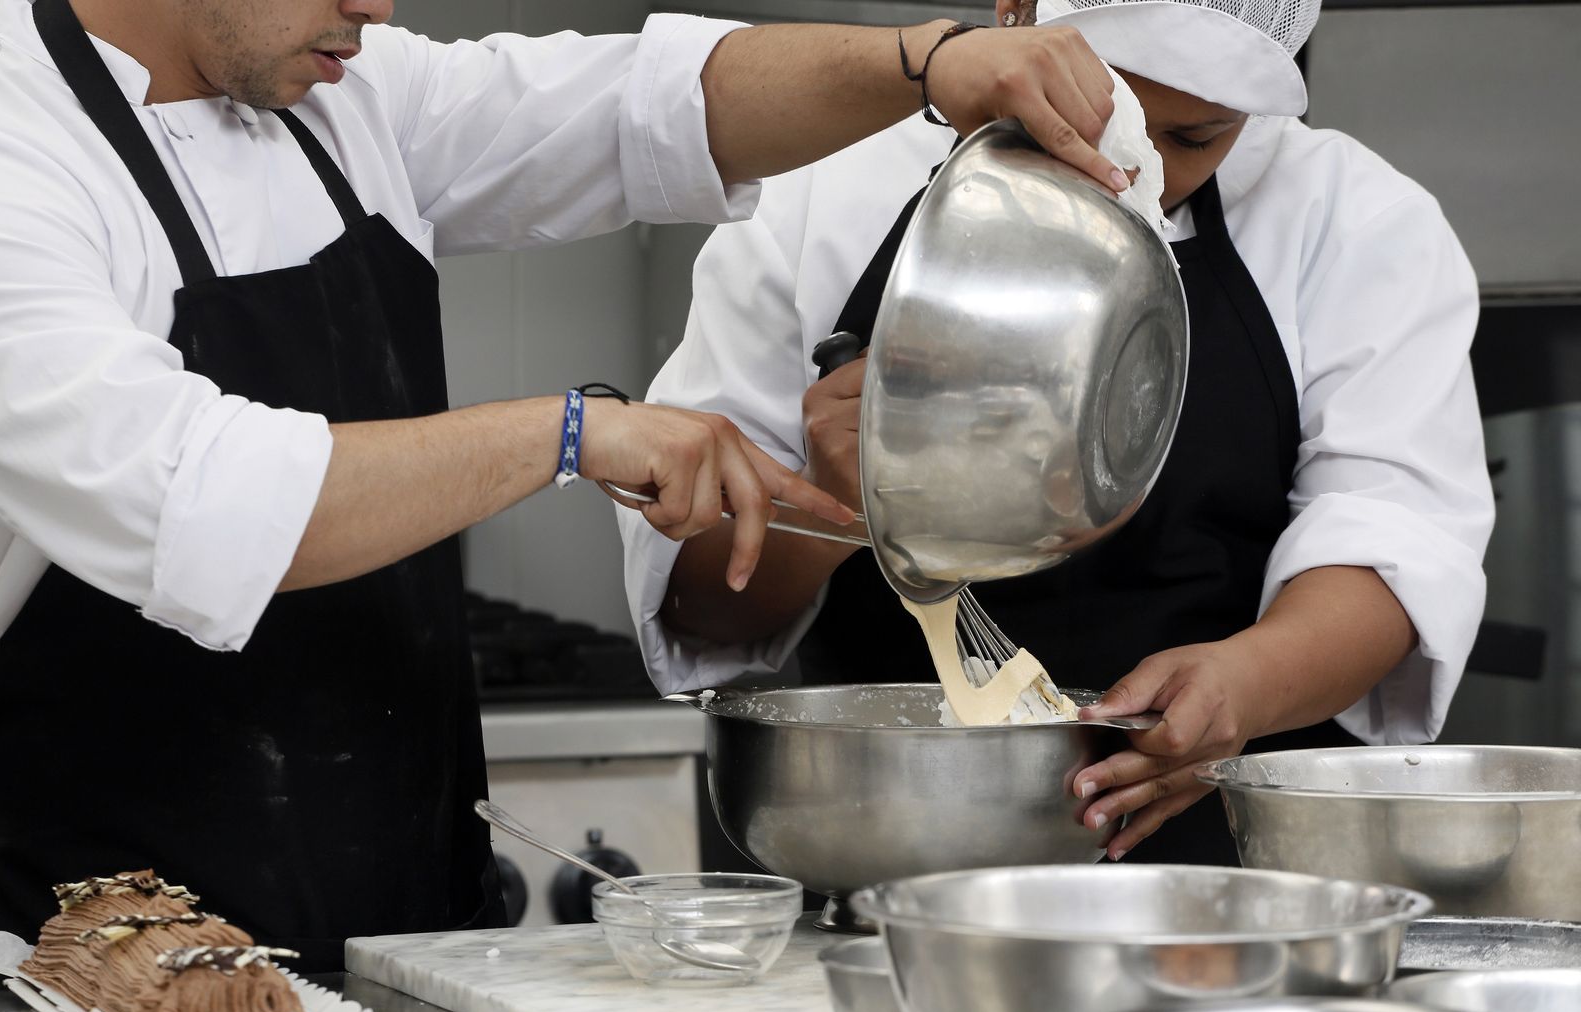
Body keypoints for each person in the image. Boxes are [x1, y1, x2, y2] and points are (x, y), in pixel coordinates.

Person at [0, 0, 1150, 971]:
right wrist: (572, 434)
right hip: (99, 952)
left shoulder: (345, 97)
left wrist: (928, 60)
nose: (378, 7)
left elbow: (645, 106)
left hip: (404, 919)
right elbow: (195, 499)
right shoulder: (10, 160)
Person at [620, 0, 1495, 866]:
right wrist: (837, 505)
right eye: (1096, 111)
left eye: (1193, 138)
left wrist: (1249, 686)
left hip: (1236, 871)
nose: (1130, 169)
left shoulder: (1354, 221)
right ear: (1013, 12)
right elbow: (704, 604)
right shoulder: (821, 187)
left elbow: (1395, 544)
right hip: (895, 847)